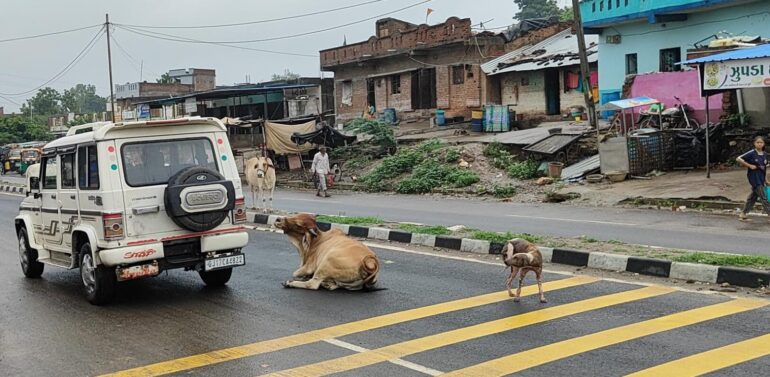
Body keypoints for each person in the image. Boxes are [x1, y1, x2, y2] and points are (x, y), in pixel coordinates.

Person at [736, 136, 770, 221]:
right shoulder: (751, 153)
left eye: (761, 142)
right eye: (757, 142)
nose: (759, 144)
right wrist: (749, 165)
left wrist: (766, 179)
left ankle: (743, 214)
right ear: (754, 144)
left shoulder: (765, 154)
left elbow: (764, 168)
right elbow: (738, 159)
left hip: (761, 178)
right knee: (764, 197)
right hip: (754, 178)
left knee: (753, 197)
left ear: (764, 144)